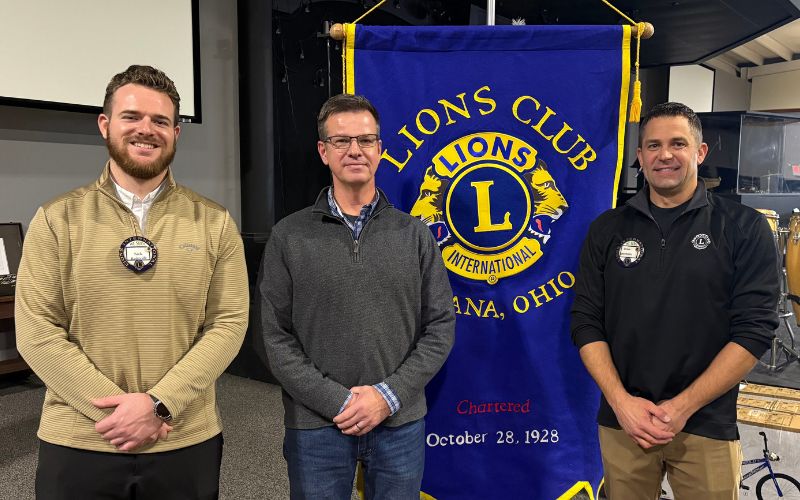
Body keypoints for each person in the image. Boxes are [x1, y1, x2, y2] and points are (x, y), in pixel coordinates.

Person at [15, 65, 249, 500]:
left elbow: (229, 324)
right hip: (81, 438)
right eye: (132, 117)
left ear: (177, 133)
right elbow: (37, 333)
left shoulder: (214, 222)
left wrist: (158, 405)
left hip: (182, 435)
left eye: (160, 121)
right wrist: (118, 412)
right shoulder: (56, 219)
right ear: (106, 125)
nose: (147, 130)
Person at [570, 102, 779, 499]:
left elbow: (753, 332)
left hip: (706, 422)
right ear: (640, 156)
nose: (664, 155)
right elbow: (585, 321)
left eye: (678, 143)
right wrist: (622, 403)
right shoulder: (606, 229)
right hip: (624, 422)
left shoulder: (743, 229)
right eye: (653, 145)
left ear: (700, 152)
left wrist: (681, 407)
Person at [259, 94, 455, 499]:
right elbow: (272, 337)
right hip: (316, 424)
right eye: (341, 141)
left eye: (366, 140)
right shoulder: (288, 236)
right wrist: (337, 401)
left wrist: (387, 397)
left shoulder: (415, 235)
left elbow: (440, 327)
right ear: (323, 151)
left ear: (380, 150)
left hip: (398, 421)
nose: (354, 150)